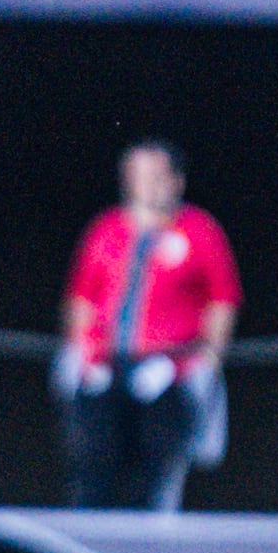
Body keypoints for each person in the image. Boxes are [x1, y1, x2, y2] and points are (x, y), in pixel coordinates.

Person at [58, 139, 239, 511]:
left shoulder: (199, 230)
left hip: (168, 372)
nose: (146, 185)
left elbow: (221, 303)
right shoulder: (106, 230)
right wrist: (82, 355)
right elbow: (81, 299)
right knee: (93, 470)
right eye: (138, 176)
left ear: (175, 181)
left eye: (156, 176)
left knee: (157, 475)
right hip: (106, 369)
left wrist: (204, 364)